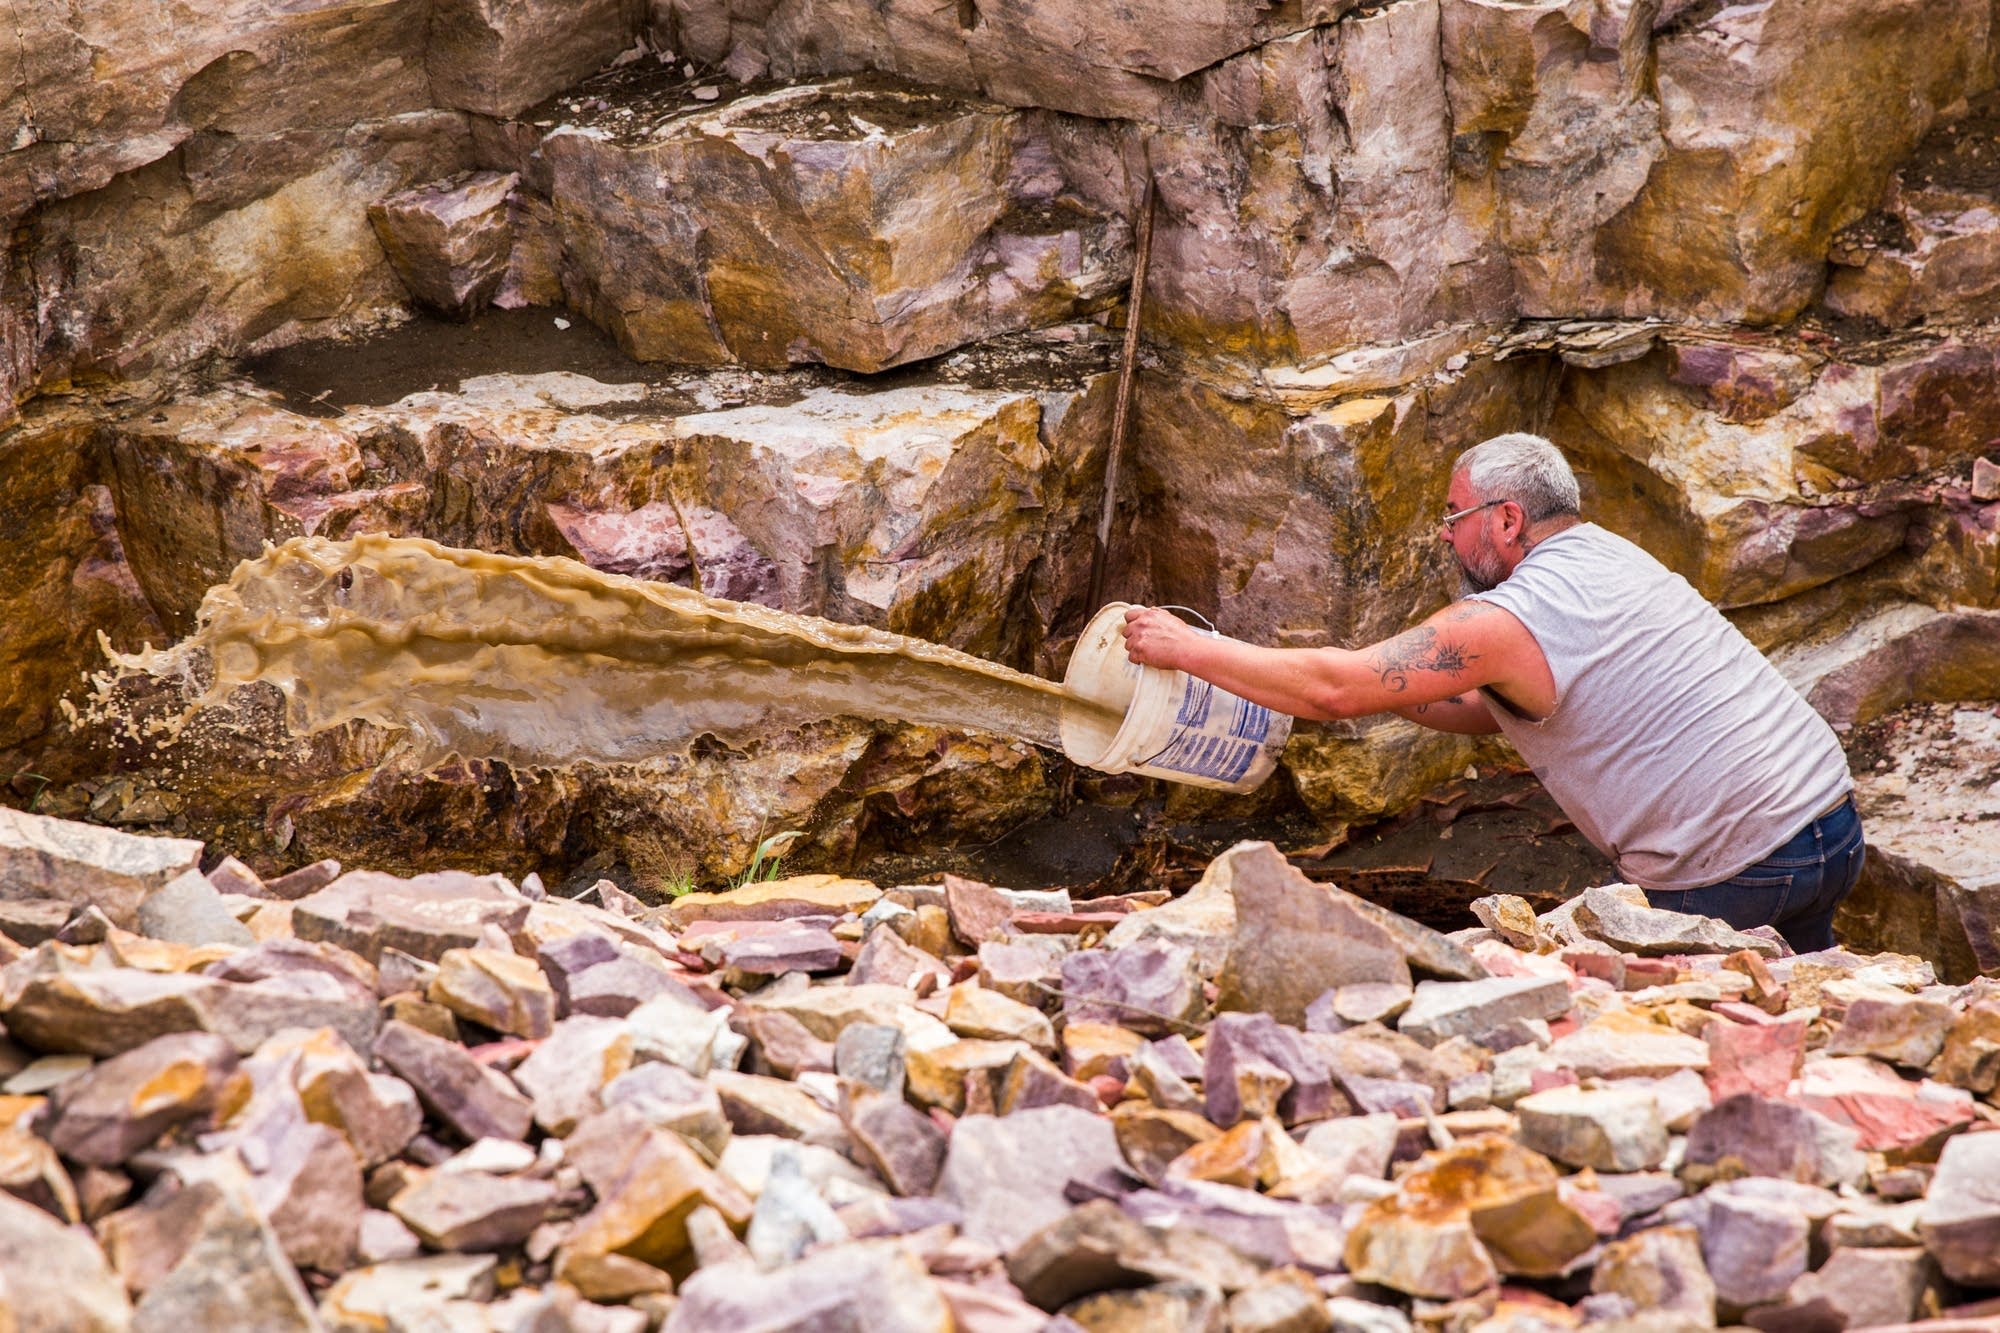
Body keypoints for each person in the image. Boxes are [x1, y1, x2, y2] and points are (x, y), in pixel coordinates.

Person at [1120, 431, 1864, 952]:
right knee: (1799, 1003)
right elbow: (1501, 706)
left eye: (1454, 516)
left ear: (1507, 518)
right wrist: (1397, 690)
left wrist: (1188, 646)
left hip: (1737, 868)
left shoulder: (1509, 617)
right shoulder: (1609, 557)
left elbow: (1334, 689)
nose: (1445, 534)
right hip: (1829, 824)